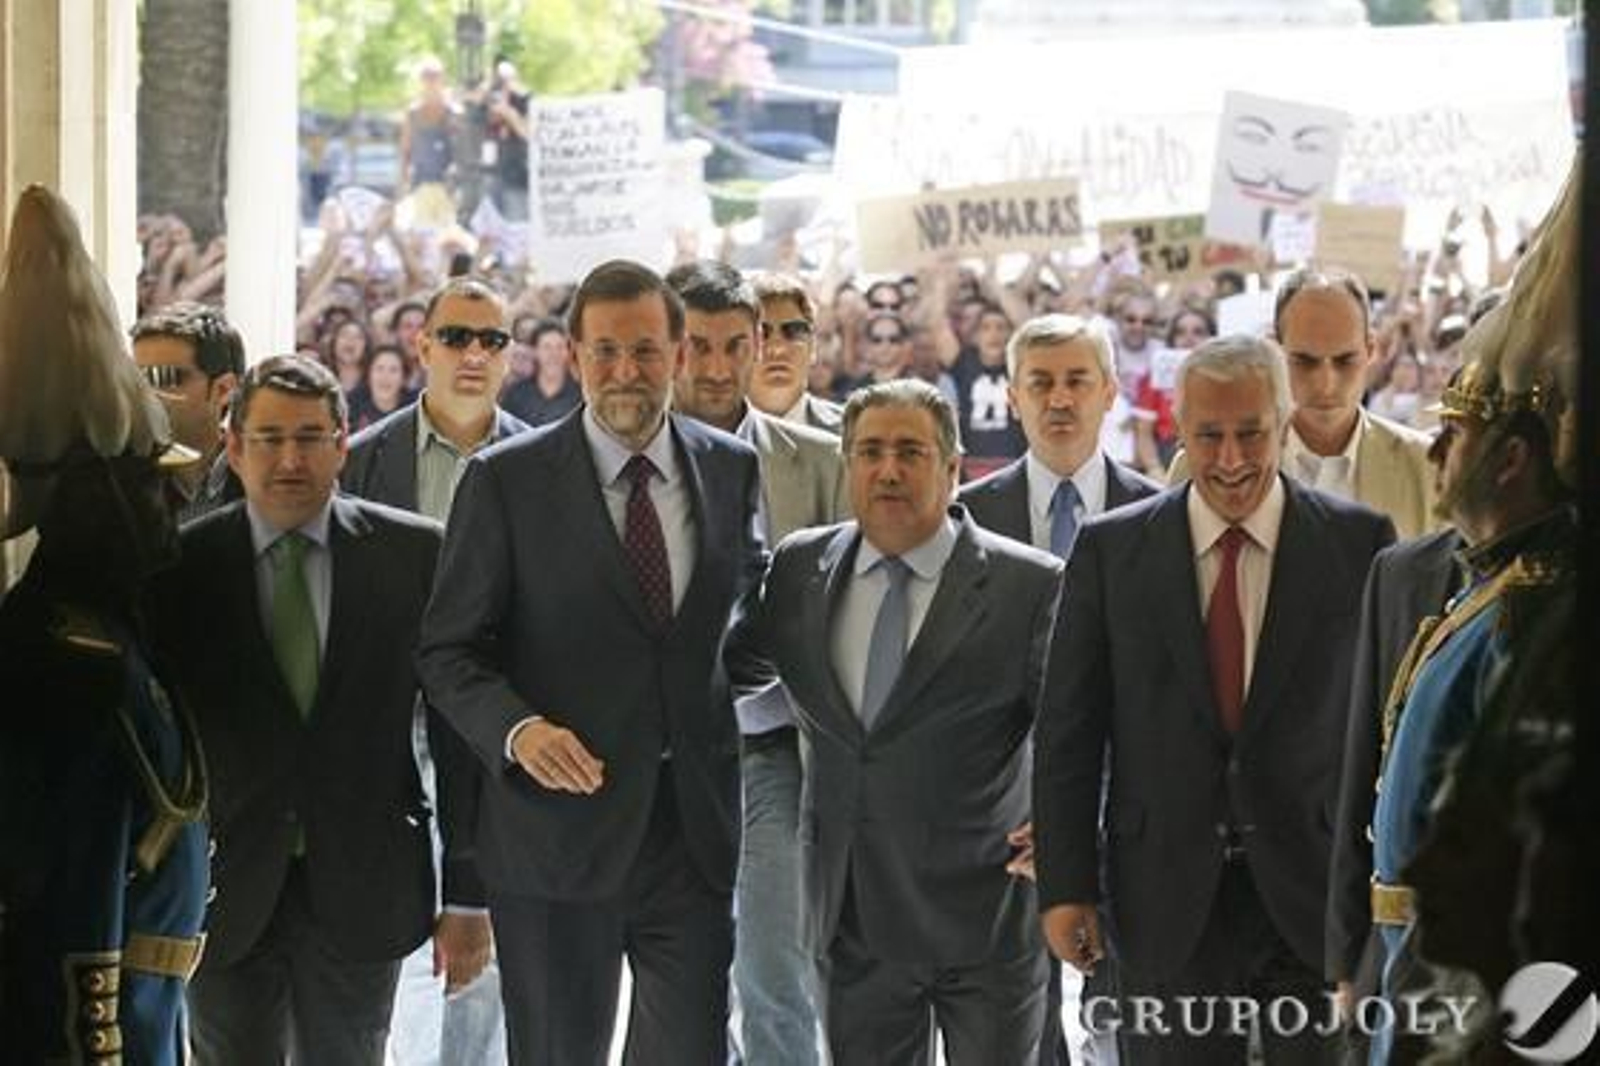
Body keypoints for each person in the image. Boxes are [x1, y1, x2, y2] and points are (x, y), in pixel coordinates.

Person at [416, 259, 766, 1066]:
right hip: (553, 839)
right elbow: (447, 649)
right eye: (604, 352)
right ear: (572, 356)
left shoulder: (730, 468)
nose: (625, 372)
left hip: (692, 835)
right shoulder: (505, 481)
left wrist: (705, 709)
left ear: (679, 355)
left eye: (644, 351)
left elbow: (743, 628)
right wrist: (518, 730)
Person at [1035, 335, 1395, 1065]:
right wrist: (1065, 886)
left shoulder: (1359, 545)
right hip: (1163, 893)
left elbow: (1388, 726)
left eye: (1250, 434)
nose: (1231, 459)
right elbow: (1070, 731)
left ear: (1285, 421)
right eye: (1209, 436)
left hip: (1313, 894)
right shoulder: (1112, 552)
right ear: (1178, 429)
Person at [152, 356, 482, 1065]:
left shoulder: (413, 554)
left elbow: (459, 736)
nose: (290, 458)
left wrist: (469, 896)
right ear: (233, 446)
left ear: (343, 444)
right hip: (224, 882)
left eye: (310, 437)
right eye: (269, 438)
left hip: (365, 879)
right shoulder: (181, 567)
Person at [726, 379, 1064, 1065]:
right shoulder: (800, 570)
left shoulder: (1028, 586)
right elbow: (728, 674)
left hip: (987, 918)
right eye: (871, 451)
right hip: (853, 922)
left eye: (910, 451)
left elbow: (1081, 728)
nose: (888, 469)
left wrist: (1074, 827)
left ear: (952, 466)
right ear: (846, 463)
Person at [0, 183, 209, 1066]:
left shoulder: (105, 637)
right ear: (101, 505)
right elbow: (73, 923)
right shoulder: (70, 664)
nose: (169, 505)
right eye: (148, 487)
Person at [958, 313, 1160, 1066]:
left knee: (1130, 1032)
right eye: (1040, 383)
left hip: (1132, 819)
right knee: (1022, 1038)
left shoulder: (1161, 515)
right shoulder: (966, 522)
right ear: (1012, 396)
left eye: (1078, 380)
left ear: (1111, 391)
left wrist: (1084, 821)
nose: (1060, 399)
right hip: (1005, 833)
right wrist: (1032, 815)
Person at [342, 277, 529, 1066]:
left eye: (491, 339)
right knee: (391, 957)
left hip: (494, 730)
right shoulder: (359, 460)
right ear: (421, 346)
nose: (474, 354)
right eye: (457, 336)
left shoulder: (541, 461)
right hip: (385, 728)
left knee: (484, 964)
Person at [665, 260, 846, 1066]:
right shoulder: (611, 461)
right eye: (695, 345)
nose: (714, 366)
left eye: (735, 345)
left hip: (773, 751)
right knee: (675, 982)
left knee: (777, 978)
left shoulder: (822, 461)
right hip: (650, 755)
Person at [1170, 269, 1437, 539]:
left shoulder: (1424, 467)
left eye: (1344, 361)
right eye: (1305, 362)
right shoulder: (1202, 465)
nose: (1326, 384)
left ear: (1370, 350)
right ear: (1275, 350)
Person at [130, 300, 246, 521]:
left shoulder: (260, 482)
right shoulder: (118, 481)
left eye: (166, 378)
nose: (147, 395)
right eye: (139, 380)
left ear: (223, 389)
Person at [750, 271, 843, 434]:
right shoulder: (703, 438)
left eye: (793, 331)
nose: (777, 349)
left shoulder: (854, 433)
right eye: (762, 333)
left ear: (813, 346)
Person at [498, 317, 580, 427]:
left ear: (568, 351)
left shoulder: (580, 393)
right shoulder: (516, 393)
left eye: (560, 347)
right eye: (547, 347)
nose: (553, 354)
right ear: (535, 350)